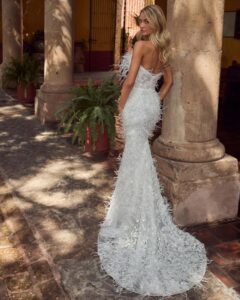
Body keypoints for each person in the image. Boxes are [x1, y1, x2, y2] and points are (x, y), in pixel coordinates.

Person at [98, 4, 208, 297]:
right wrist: (154, 100)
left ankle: (132, 217)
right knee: (139, 157)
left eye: (146, 21)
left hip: (136, 105)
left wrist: (120, 109)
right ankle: (134, 211)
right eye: (140, 20)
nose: (141, 25)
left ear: (155, 23)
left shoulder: (142, 45)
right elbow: (168, 81)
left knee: (135, 157)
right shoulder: (163, 48)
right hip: (149, 107)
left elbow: (130, 81)